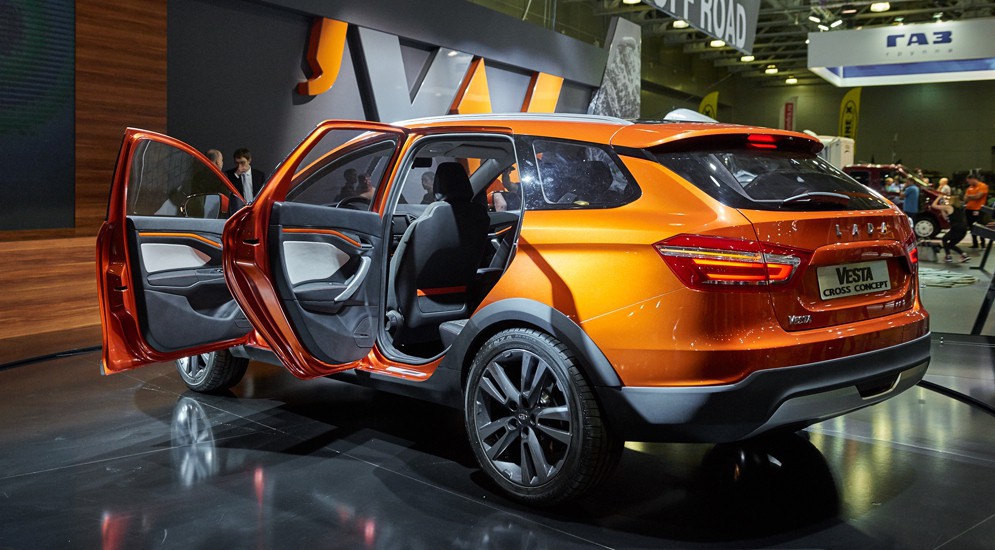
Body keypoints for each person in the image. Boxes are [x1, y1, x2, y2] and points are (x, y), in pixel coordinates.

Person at [932, 193, 970, 263]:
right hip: (964, 229)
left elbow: (933, 205)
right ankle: (964, 255)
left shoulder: (949, 207)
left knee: (944, 239)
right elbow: (946, 218)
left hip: (956, 228)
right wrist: (942, 208)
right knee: (950, 245)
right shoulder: (961, 208)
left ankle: (948, 256)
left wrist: (938, 198)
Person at [965, 172, 989, 248]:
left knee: (980, 225)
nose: (968, 183)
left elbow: (978, 196)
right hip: (969, 209)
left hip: (978, 209)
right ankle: (975, 243)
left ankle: (983, 243)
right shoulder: (969, 188)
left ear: (973, 179)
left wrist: (970, 196)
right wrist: (972, 196)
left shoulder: (983, 186)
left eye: (969, 181)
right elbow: (965, 198)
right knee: (971, 226)